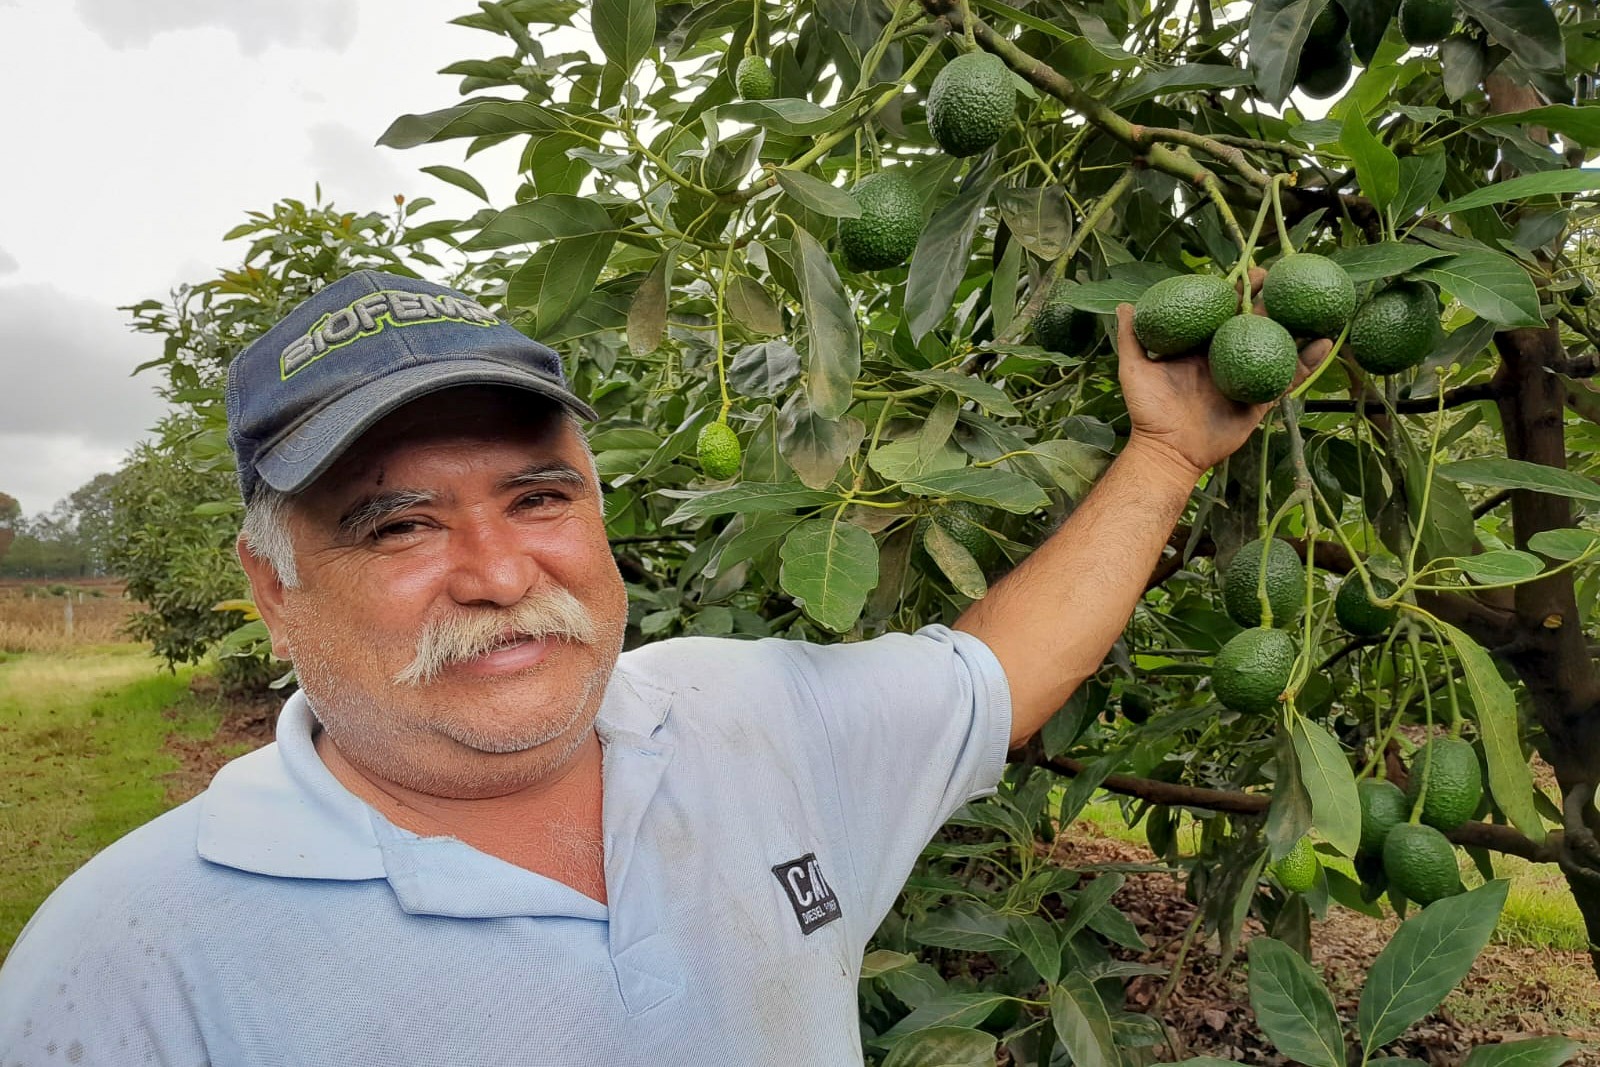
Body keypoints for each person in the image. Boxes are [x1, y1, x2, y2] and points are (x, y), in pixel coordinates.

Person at [0, 269, 1326, 1064]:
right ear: (270, 590)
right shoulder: (123, 967)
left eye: (537, 499)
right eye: (397, 524)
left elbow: (991, 676)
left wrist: (1164, 459)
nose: (500, 572)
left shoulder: (752, 719)